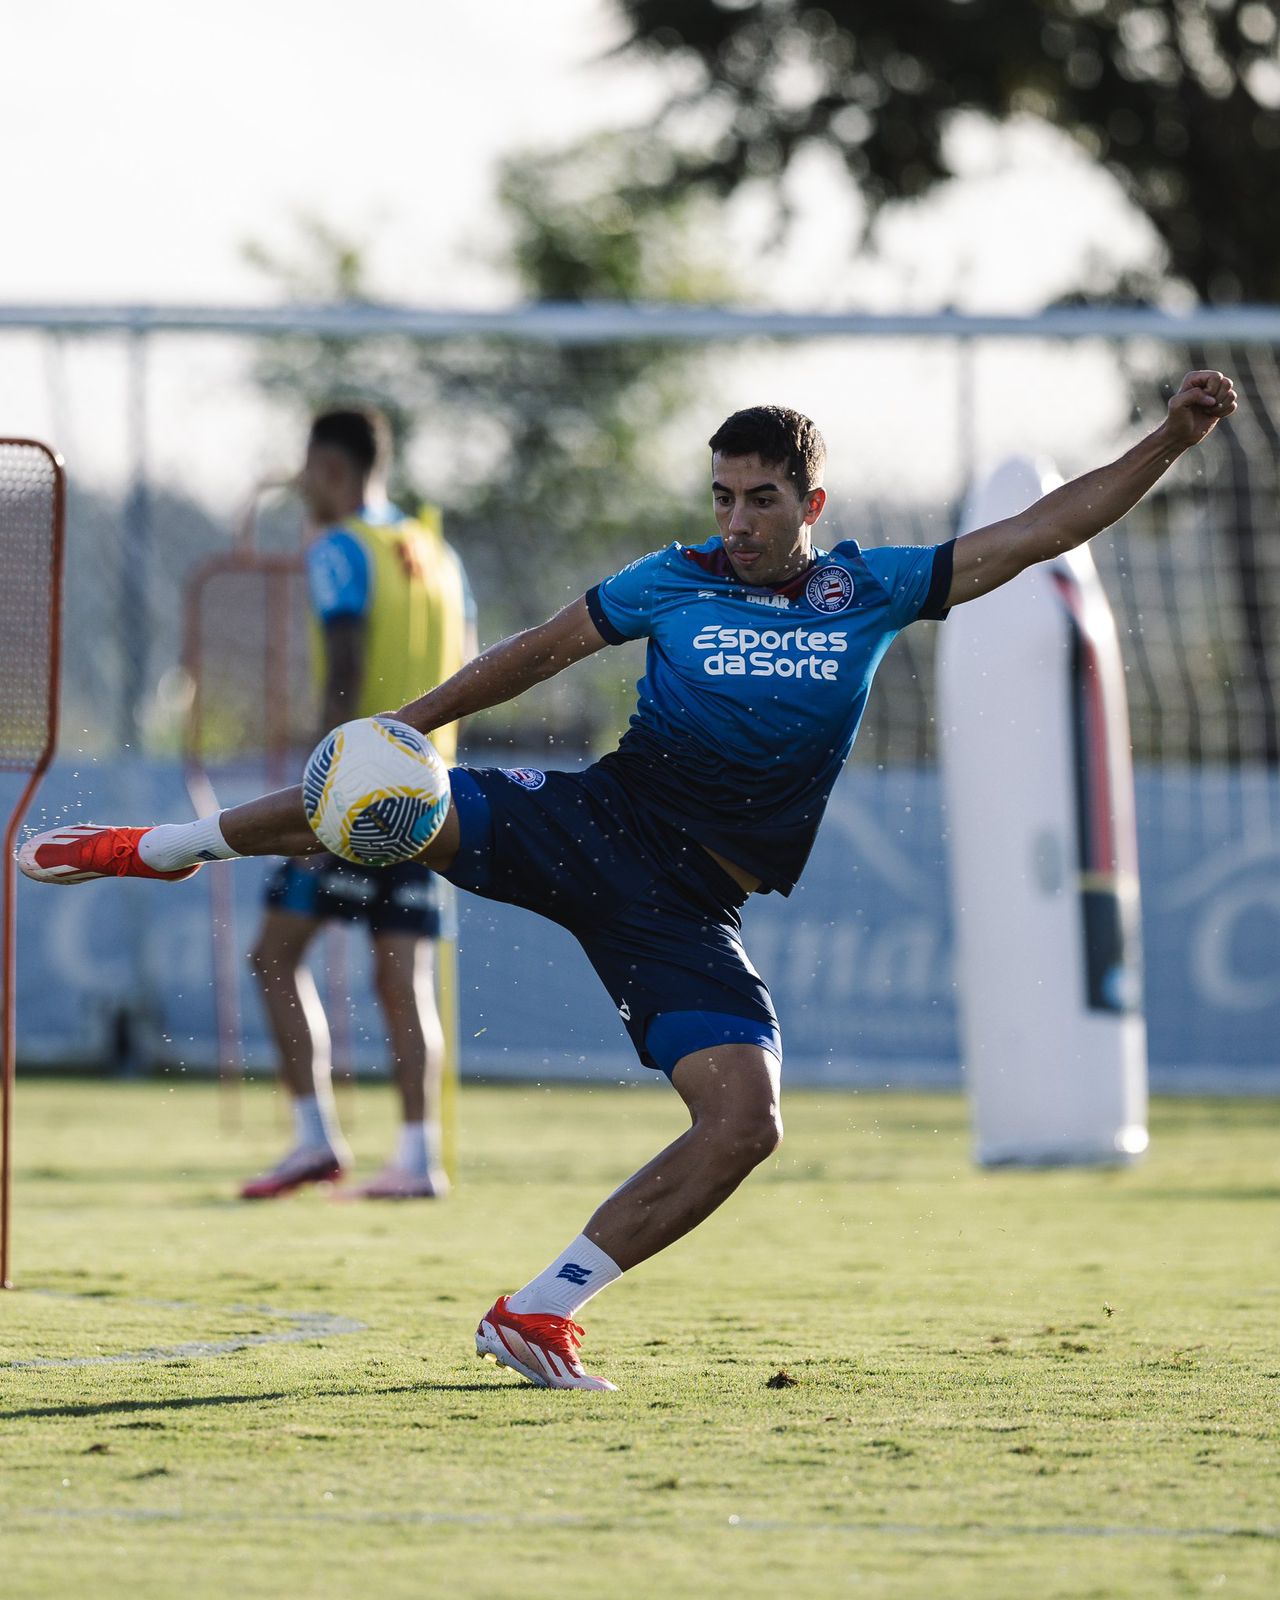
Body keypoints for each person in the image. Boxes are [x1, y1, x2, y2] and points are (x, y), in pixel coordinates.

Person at [20, 372, 1237, 1389]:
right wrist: (409, 724)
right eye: (721, 496)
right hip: (600, 824)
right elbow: (537, 651)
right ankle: (158, 847)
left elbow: (1040, 532)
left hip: (689, 901)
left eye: (760, 499)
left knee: (745, 1120)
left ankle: (536, 1310)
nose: (737, 520)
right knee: (395, 805)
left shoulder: (869, 589)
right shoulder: (672, 576)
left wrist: (1168, 441)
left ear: (810, 502)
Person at [248, 408, 474, 1200]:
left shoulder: (340, 548)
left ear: (332, 469)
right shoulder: (436, 551)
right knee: (401, 976)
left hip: (355, 789)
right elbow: (470, 667)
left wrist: (319, 794)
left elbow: (343, 666)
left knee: (274, 955)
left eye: (308, 469)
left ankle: (314, 1138)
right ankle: (419, 1156)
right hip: (429, 793)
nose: (304, 484)